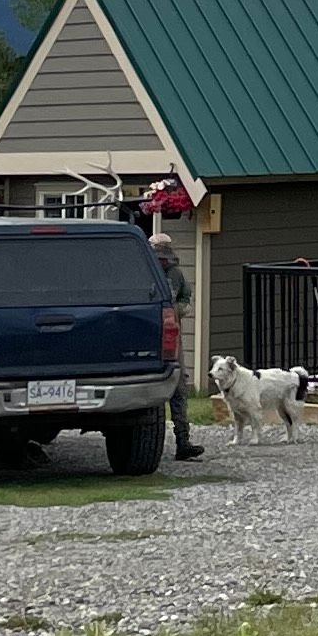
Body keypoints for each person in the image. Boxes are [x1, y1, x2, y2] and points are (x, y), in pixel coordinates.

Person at [124, 184, 203, 461]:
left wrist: (177, 312)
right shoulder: (137, 274)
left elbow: (186, 299)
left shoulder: (177, 275)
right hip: (145, 337)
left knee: (179, 387)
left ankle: (183, 440)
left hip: (173, 336)